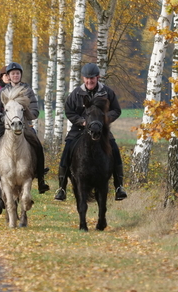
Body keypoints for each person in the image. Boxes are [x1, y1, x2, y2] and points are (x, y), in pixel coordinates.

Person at [54, 62, 127, 201]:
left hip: (101, 129)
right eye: (87, 78)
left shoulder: (107, 92)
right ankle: (62, 188)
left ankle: (119, 187)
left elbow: (116, 110)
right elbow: (69, 111)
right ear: (83, 78)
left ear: (97, 77)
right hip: (79, 129)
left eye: (92, 78)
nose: (89, 81)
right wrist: (82, 121)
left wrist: (103, 120)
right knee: (67, 150)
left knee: (115, 150)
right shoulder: (76, 93)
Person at [0, 62, 50, 195]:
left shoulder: (27, 90)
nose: (15, 75)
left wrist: (26, 112)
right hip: (3, 124)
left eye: (17, 73)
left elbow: (35, 111)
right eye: (13, 73)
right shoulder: (3, 91)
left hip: (23, 124)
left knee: (37, 145)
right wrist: (2, 118)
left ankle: (41, 180)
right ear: (8, 76)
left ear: (20, 75)